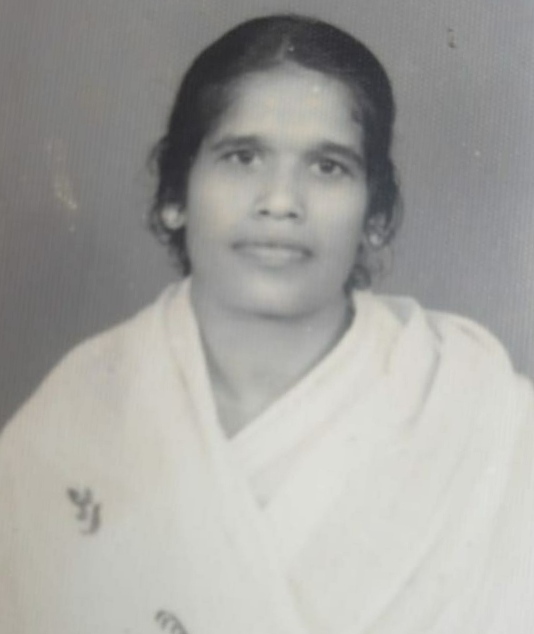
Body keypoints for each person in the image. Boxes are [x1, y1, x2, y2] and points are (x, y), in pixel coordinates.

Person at [1, 13, 533, 634]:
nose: (281, 201)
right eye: (243, 157)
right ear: (175, 194)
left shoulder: (480, 418)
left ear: (376, 215)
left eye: (328, 166)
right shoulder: (75, 425)